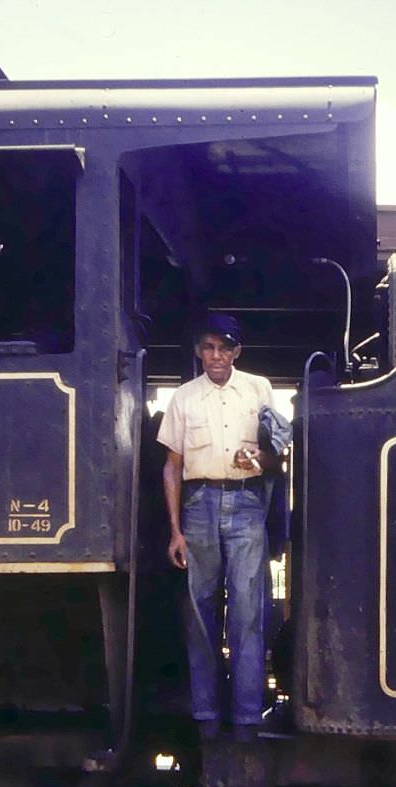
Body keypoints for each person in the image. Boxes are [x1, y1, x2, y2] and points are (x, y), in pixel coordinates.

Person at [157, 313, 278, 740]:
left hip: (246, 502)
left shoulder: (259, 389)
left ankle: (246, 718)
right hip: (199, 505)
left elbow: (276, 454)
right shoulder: (184, 398)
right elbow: (172, 468)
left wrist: (258, 461)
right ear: (198, 351)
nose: (216, 356)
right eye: (208, 348)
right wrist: (176, 530)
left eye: (224, 348)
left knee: (248, 612)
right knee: (199, 613)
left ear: (236, 352)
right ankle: (207, 717)